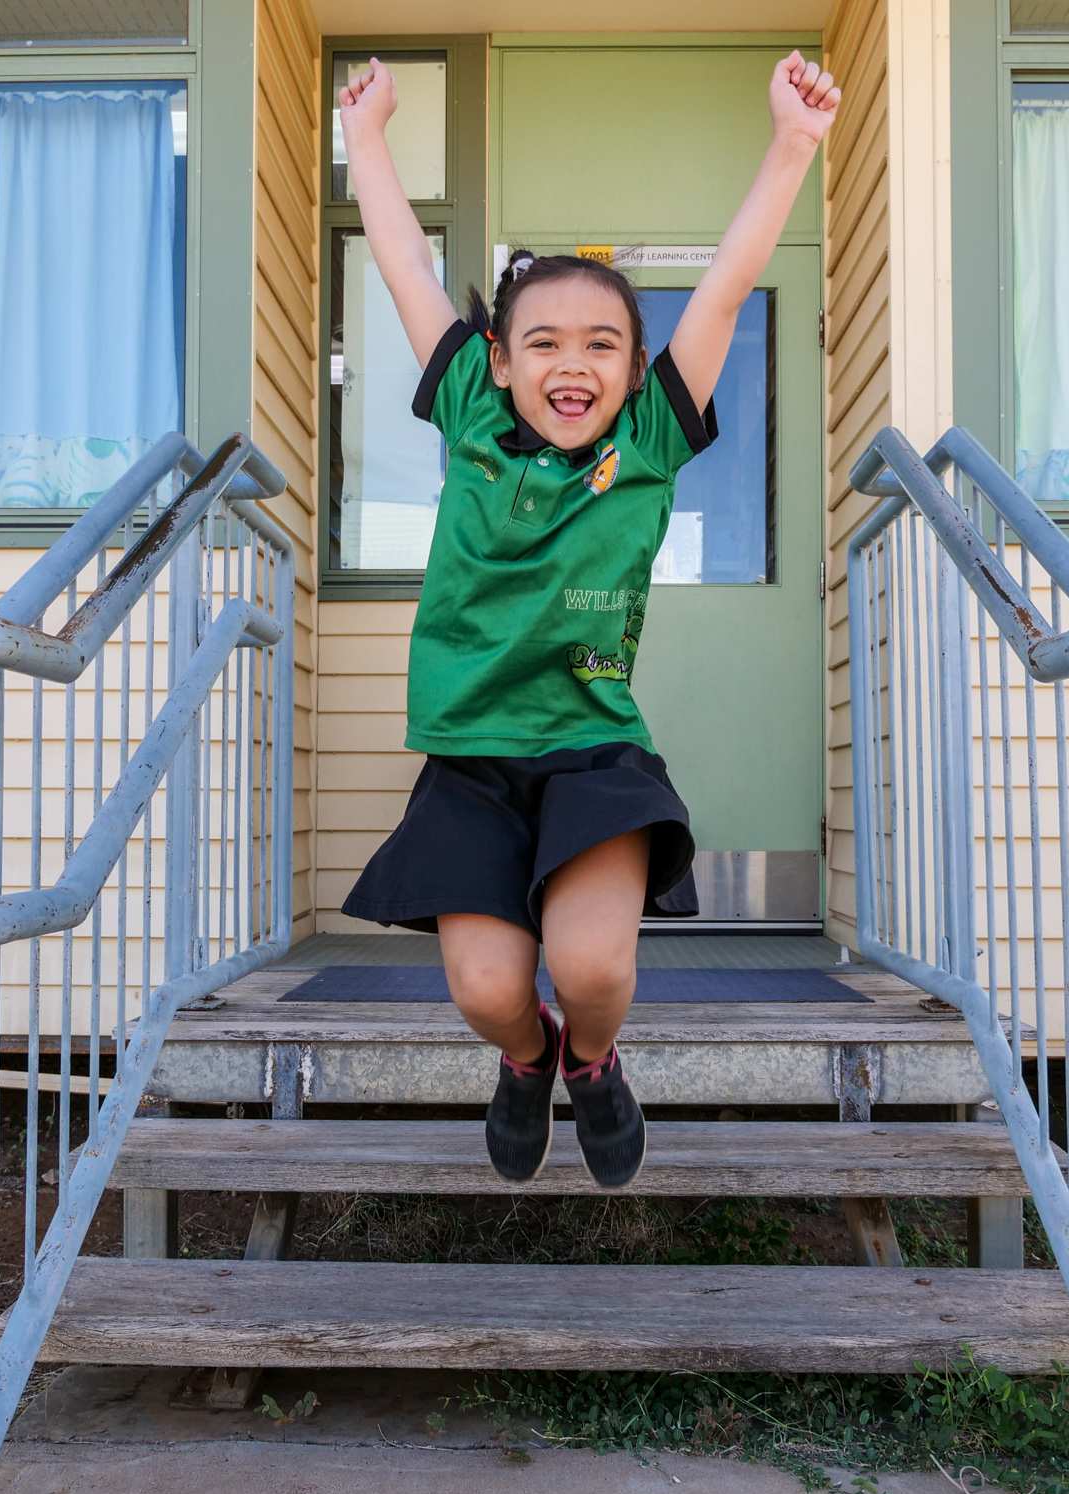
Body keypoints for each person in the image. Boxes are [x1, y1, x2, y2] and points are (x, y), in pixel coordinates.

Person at [336, 52, 841, 1189]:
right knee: (487, 991)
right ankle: (529, 1064)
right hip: (470, 757)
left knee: (592, 967)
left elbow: (724, 284)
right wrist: (366, 139)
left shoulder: (650, 441)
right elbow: (407, 265)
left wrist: (791, 146)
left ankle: (595, 1063)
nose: (573, 365)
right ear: (501, 365)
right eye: (546, 345)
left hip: (592, 752)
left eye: (602, 345)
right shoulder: (467, 408)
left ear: (632, 369)